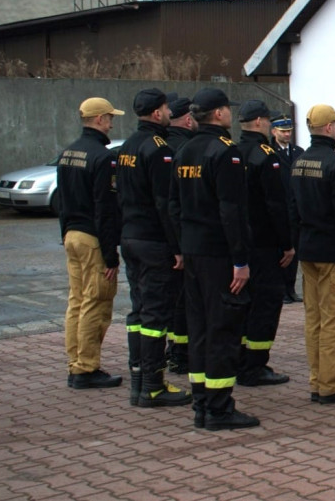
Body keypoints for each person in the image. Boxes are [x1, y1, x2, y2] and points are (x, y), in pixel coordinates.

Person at [168, 87, 258, 430]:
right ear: (219, 114)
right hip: (219, 254)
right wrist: (240, 261)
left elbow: (174, 205)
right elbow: (231, 211)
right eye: (227, 109)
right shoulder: (225, 152)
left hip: (193, 251)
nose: (230, 114)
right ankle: (219, 409)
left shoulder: (184, 149)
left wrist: (181, 245)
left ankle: (202, 404)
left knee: (200, 328)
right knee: (223, 328)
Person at [117, 88, 191, 408]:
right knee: (156, 314)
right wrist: (177, 247)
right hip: (153, 241)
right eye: (166, 108)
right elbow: (165, 203)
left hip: (130, 237)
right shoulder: (158, 149)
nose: (169, 113)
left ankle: (139, 380)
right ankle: (152, 386)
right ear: (159, 112)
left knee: (138, 311)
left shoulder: (128, 145)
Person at [290, 104, 335, 404]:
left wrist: (297, 244)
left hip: (308, 250)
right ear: (329, 127)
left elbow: (292, 210)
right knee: (334, 319)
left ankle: (317, 380)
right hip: (332, 254)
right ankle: (330, 384)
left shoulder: (298, 162)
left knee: (314, 319)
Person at [58, 97, 124, 390]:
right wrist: (110, 256)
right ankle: (86, 369)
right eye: (109, 118)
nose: (111, 124)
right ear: (99, 119)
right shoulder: (102, 157)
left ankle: (76, 362)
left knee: (77, 301)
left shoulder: (68, 153)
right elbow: (105, 209)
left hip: (72, 235)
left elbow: (63, 200)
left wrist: (65, 233)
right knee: (96, 302)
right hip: (93, 238)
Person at [237, 100, 295, 387]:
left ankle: (240, 359)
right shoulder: (265, 155)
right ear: (260, 122)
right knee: (266, 304)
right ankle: (255, 365)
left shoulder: (233, 151)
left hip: (239, 242)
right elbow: (275, 204)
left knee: (243, 304)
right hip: (264, 243)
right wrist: (287, 244)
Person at [163, 93, 194, 374]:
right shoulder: (183, 149)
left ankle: (172, 351)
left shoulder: (161, 144)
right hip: (179, 240)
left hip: (156, 237)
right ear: (187, 119)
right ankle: (181, 355)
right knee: (184, 300)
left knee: (169, 301)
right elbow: (174, 202)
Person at [271, 113, 305, 303]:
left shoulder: (298, 151)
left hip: (295, 206)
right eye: (283, 131)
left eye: (289, 131)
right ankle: (282, 290)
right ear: (274, 131)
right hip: (280, 204)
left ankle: (291, 288)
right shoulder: (270, 151)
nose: (287, 134)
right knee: (281, 252)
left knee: (295, 250)